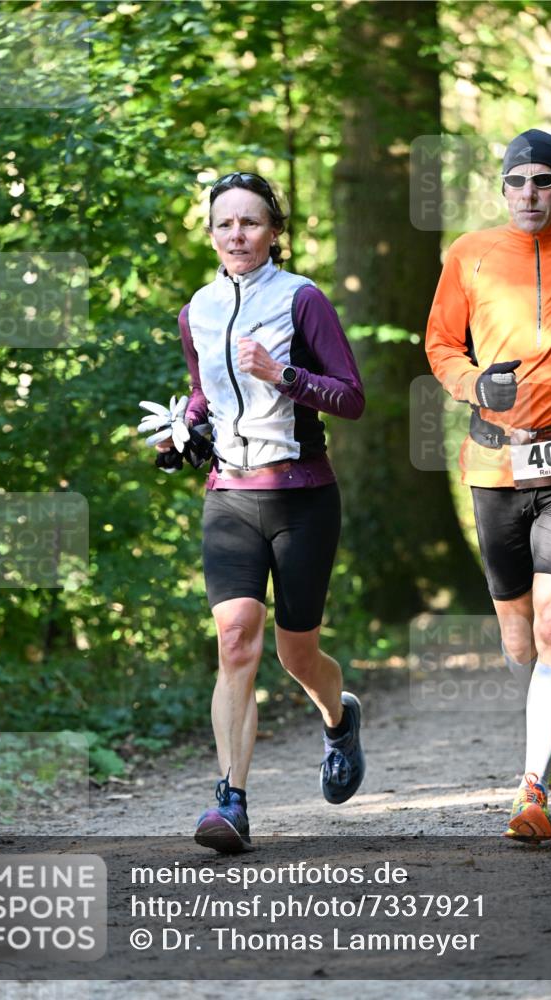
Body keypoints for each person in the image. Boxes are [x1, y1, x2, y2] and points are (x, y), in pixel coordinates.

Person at [154, 171, 366, 853]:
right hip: (230, 498)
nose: (237, 234)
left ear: (273, 230)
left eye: (250, 222)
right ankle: (230, 801)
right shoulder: (197, 309)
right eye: (225, 223)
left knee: (294, 651)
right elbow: (201, 393)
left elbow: (350, 396)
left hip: (302, 498)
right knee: (236, 639)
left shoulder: (302, 300)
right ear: (210, 232)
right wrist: (179, 429)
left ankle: (338, 717)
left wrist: (284, 375)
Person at [425, 129, 551, 843]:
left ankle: (531, 790)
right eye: (515, 182)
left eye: (542, 181)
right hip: (494, 464)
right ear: (500, 188)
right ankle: (548, 730)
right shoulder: (468, 254)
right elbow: (438, 344)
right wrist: (474, 383)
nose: (527, 194)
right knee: (517, 635)